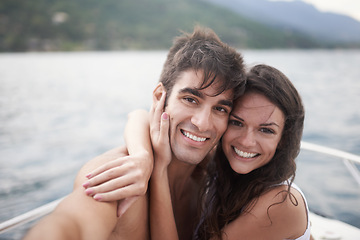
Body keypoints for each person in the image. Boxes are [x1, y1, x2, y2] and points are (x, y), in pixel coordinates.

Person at [23, 26, 246, 240]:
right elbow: (70, 225)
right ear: (160, 97)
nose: (203, 123)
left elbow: (138, 116)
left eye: (220, 108)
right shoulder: (118, 175)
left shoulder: (211, 175)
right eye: (190, 99)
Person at [92, 64, 310, 239]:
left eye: (265, 130)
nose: (246, 141)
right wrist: (142, 156)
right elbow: (138, 116)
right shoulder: (220, 165)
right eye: (237, 123)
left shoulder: (279, 203)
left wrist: (158, 169)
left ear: (283, 139)